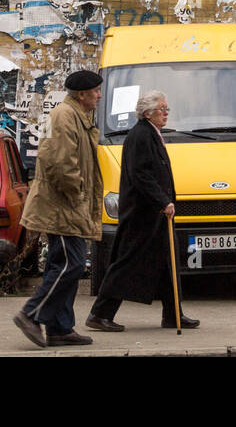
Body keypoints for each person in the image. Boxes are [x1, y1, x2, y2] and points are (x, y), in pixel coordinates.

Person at [85, 90, 199, 331]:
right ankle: (99, 314)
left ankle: (173, 315)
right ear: (148, 113)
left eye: (167, 109)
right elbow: (141, 174)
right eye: (162, 109)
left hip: (154, 214)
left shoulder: (151, 134)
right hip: (141, 215)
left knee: (168, 262)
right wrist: (162, 201)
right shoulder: (141, 135)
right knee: (126, 263)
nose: (166, 113)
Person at [13, 69, 103, 348]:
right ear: (81, 94)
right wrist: (77, 195)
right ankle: (32, 314)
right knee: (71, 264)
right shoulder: (64, 116)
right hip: (62, 206)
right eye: (96, 91)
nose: (99, 95)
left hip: (67, 205)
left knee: (63, 264)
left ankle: (60, 328)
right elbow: (61, 163)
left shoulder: (75, 115)